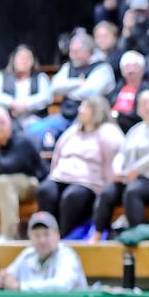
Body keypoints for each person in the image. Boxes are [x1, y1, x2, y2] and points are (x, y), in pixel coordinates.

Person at [90, 90, 149, 240]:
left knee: (132, 192)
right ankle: (98, 235)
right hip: (136, 178)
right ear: (138, 109)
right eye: (143, 104)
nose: (147, 107)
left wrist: (137, 169)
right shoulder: (136, 129)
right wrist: (117, 169)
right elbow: (122, 153)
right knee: (108, 192)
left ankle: (139, 235)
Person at [36, 96, 121, 238]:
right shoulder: (73, 130)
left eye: (85, 107)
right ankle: (46, 235)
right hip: (61, 176)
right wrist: (52, 174)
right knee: (45, 190)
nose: (80, 110)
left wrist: (106, 190)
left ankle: (64, 237)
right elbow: (57, 154)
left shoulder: (108, 132)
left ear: (96, 111)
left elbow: (112, 162)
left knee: (72, 197)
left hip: (88, 182)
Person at [0, 105, 46, 242]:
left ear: (10, 122)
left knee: (3, 182)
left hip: (33, 183)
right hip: (6, 187)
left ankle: (8, 235)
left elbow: (7, 167)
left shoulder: (22, 140)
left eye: (2, 123)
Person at [0, 211, 85, 292]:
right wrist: (1, 281)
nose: (42, 240)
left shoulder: (67, 255)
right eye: (37, 235)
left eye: (46, 234)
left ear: (57, 235)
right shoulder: (27, 255)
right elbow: (5, 278)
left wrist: (20, 287)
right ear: (30, 238)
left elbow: (62, 285)